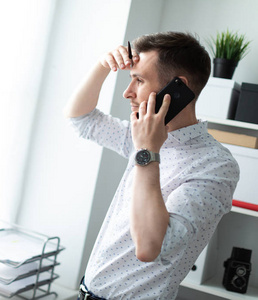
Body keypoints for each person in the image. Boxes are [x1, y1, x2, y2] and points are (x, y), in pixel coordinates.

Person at [64, 31, 240, 300]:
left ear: (177, 88)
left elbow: (149, 247)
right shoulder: (139, 136)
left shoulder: (215, 165)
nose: (127, 93)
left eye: (139, 80)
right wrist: (102, 66)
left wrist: (147, 151)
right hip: (87, 292)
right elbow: (82, 119)